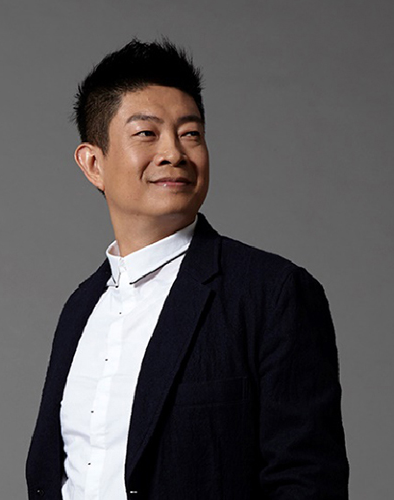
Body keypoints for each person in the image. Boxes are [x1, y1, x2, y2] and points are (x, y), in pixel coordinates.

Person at [26, 39, 349, 500]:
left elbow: (307, 481)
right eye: (146, 133)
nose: (174, 153)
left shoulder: (271, 293)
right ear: (93, 164)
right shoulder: (80, 309)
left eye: (190, 133)